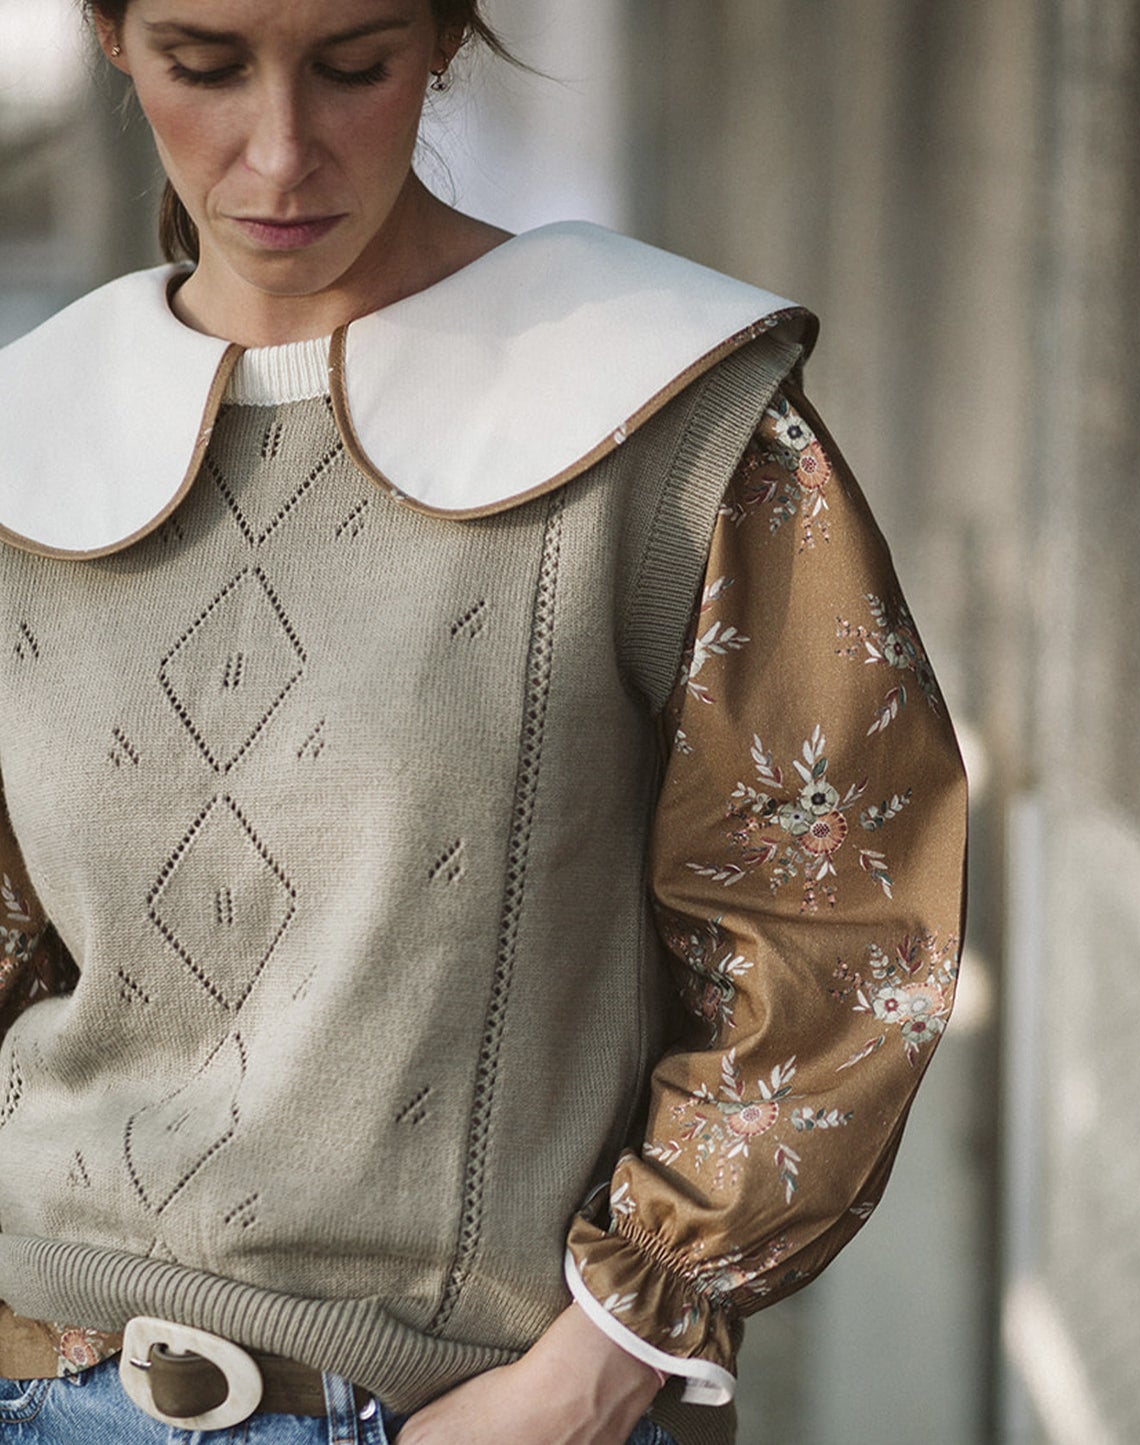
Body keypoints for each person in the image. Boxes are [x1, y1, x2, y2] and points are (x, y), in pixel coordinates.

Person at [0, 1, 968, 1442]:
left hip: (474, 1403)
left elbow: (837, 923)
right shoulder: (28, 437)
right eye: (206, 65)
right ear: (114, 40)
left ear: (448, 40)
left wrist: (597, 1369)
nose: (279, 150)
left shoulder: (664, 411)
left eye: (353, 66)